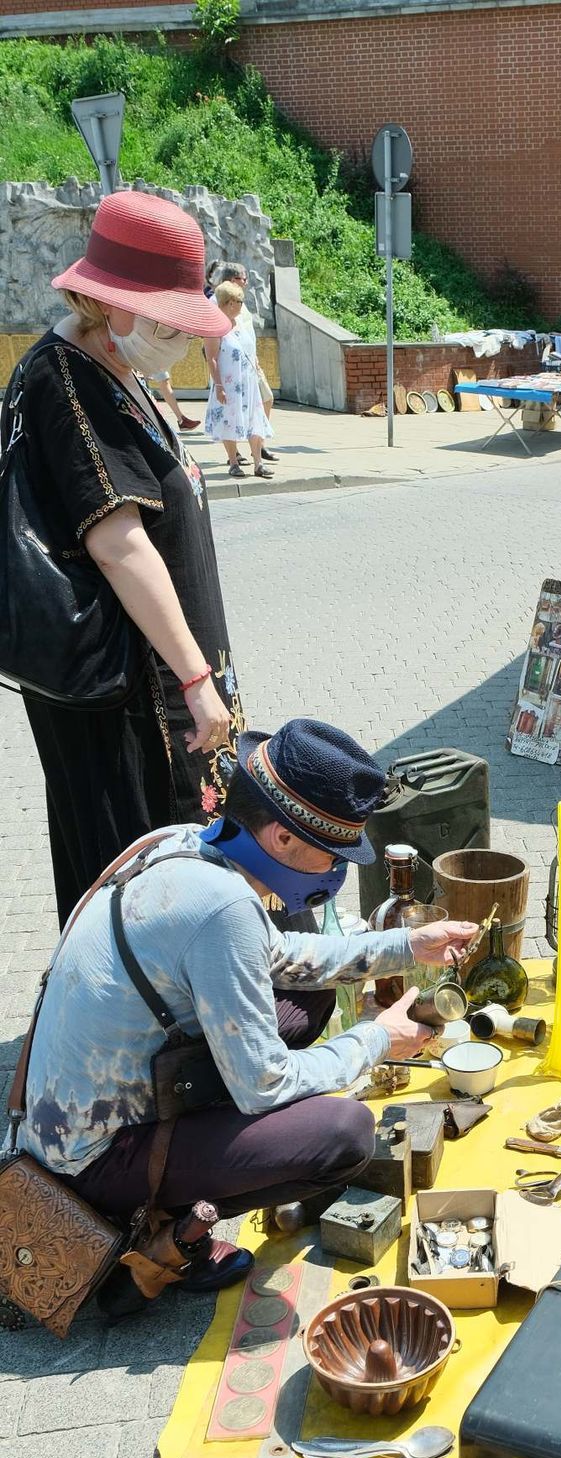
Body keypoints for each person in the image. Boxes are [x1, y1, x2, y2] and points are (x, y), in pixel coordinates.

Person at [17, 719, 479, 1295]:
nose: (339, 872)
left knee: (307, 992)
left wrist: (406, 947)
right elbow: (265, 1085)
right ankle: (164, 1233)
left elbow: (280, 954)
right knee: (345, 1134)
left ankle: (201, 1166)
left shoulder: (183, 842)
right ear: (283, 838)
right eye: (334, 855)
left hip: (80, 1109)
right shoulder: (223, 908)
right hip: (90, 1161)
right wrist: (376, 1038)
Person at [2, 190, 242, 927]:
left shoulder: (112, 367)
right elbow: (118, 541)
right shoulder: (65, 379)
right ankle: (129, 1033)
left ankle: (156, 1019)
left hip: (153, 675)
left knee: (165, 867)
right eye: (172, 321)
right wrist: (197, 679)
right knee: (134, 870)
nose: (180, 337)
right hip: (125, 689)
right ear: (115, 303)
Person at [204, 281, 273, 479]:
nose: (242, 305)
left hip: (248, 383)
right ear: (229, 303)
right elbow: (212, 359)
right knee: (229, 420)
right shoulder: (215, 328)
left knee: (255, 420)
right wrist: (218, 385)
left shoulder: (240, 323)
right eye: (239, 301)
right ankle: (233, 462)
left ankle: (258, 463)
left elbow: (249, 349)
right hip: (228, 384)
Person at [216, 261, 278, 460]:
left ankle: (257, 445)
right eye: (243, 279)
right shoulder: (219, 303)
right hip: (231, 369)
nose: (246, 282)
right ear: (233, 280)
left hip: (251, 365)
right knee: (233, 412)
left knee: (265, 400)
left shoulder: (241, 303)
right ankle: (234, 454)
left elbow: (247, 335)